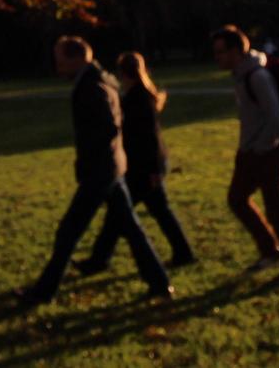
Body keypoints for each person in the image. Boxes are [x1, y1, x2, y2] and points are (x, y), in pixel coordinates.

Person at [16, 37, 173, 305]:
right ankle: (159, 283)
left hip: (100, 171)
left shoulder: (92, 86)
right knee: (131, 229)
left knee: (69, 232)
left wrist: (92, 159)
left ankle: (44, 291)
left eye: (61, 60)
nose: (58, 66)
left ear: (76, 58)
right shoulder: (101, 80)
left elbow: (106, 127)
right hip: (111, 167)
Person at [74, 52, 196, 274]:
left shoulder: (138, 99)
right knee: (158, 211)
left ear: (123, 73)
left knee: (119, 215)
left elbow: (149, 139)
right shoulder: (139, 95)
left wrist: (153, 170)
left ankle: (99, 260)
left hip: (142, 168)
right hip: (145, 166)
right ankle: (183, 252)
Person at [211, 25, 279, 282]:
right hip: (251, 151)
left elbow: (276, 119)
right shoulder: (241, 75)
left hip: (268, 151)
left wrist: (260, 147)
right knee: (237, 199)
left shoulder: (256, 76)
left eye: (220, 52)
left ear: (235, 51)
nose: (216, 58)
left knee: (278, 211)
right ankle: (269, 250)